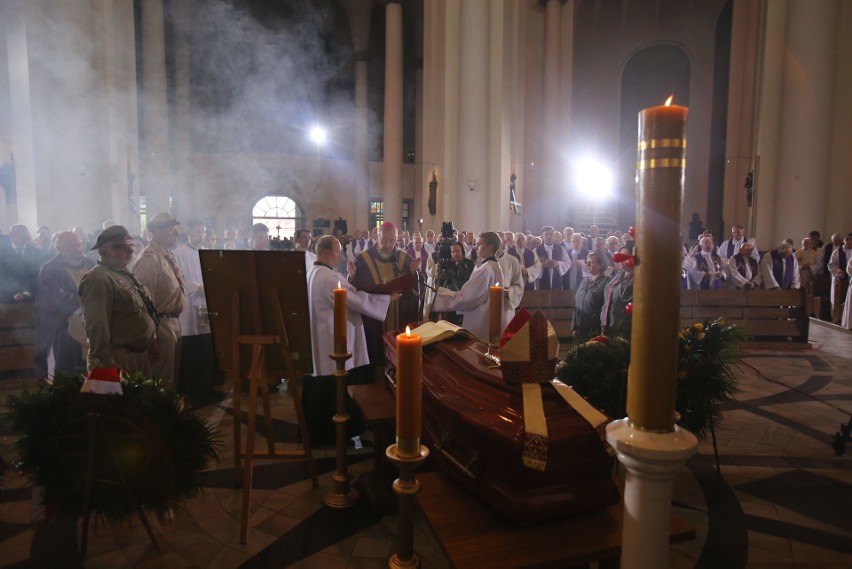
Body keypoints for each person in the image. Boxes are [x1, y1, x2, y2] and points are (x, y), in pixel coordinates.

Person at [304, 235, 395, 445]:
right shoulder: (329, 278)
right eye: (338, 252)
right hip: (332, 341)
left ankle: (317, 433)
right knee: (334, 388)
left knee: (320, 386)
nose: (341, 256)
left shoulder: (313, 272)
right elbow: (357, 300)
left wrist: (350, 278)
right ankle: (337, 434)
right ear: (327, 253)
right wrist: (389, 298)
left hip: (319, 339)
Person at [78, 226, 159, 374]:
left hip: (139, 355)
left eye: (131, 246)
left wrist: (151, 339)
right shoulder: (99, 278)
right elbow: (97, 324)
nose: (131, 251)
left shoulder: (124, 274)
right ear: (105, 250)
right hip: (118, 357)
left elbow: (143, 309)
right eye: (123, 247)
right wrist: (105, 361)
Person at [350, 222, 420, 374]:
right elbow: (353, 291)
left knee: (398, 355)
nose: (388, 245)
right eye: (384, 240)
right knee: (374, 351)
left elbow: (414, 290)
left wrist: (414, 274)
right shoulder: (363, 259)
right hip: (374, 319)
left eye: (392, 241)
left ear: (397, 240)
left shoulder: (404, 258)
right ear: (377, 237)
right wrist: (352, 276)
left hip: (398, 314)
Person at [173, 219, 223, 406]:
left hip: (207, 305)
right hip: (189, 307)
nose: (201, 235)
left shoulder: (208, 253)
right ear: (189, 232)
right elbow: (179, 279)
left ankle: (208, 388)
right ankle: (192, 393)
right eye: (197, 231)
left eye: (203, 232)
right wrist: (199, 288)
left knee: (207, 350)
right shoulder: (178, 254)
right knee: (192, 352)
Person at [133, 212, 185, 387]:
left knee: (172, 378)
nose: (177, 233)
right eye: (172, 230)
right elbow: (143, 303)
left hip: (172, 323)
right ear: (158, 231)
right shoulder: (149, 259)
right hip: (160, 325)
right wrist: (151, 336)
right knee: (161, 380)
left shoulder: (166, 255)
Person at [34, 231, 95, 378]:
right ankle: (69, 396)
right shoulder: (49, 269)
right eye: (70, 246)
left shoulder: (92, 264)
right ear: (59, 248)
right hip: (64, 323)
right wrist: (82, 307)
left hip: (94, 321)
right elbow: (54, 297)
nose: (76, 249)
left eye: (79, 245)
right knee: (69, 368)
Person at [433, 232, 512, 340]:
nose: (476, 247)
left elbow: (466, 298)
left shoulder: (485, 270)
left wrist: (441, 293)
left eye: (479, 244)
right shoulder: (496, 266)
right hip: (490, 320)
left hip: (480, 323)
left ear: (490, 247)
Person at [572, 251, 607, 341]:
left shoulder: (606, 283)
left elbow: (605, 308)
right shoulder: (584, 281)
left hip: (594, 330)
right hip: (580, 327)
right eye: (587, 261)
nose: (587, 264)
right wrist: (574, 326)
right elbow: (577, 305)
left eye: (591, 262)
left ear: (601, 265)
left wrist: (604, 330)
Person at [601, 248, 634, 338]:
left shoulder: (638, 277)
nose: (621, 261)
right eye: (620, 257)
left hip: (626, 328)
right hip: (610, 324)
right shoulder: (619, 275)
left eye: (625, 257)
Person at [827, 234, 852, 324]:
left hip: (850, 278)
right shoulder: (837, 252)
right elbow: (831, 265)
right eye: (848, 243)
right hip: (840, 278)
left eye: (851, 243)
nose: (850, 245)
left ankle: (847, 319)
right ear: (844, 243)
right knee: (837, 298)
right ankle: (836, 317)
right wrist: (839, 271)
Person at [795, 237, 821, 314]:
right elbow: (792, 264)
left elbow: (819, 264)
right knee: (799, 291)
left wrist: (810, 267)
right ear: (802, 243)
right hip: (799, 275)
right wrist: (801, 267)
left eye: (808, 243)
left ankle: (808, 310)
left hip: (809, 275)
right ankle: (798, 308)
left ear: (810, 244)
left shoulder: (815, 253)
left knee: (809, 292)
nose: (806, 244)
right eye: (805, 243)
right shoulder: (797, 253)